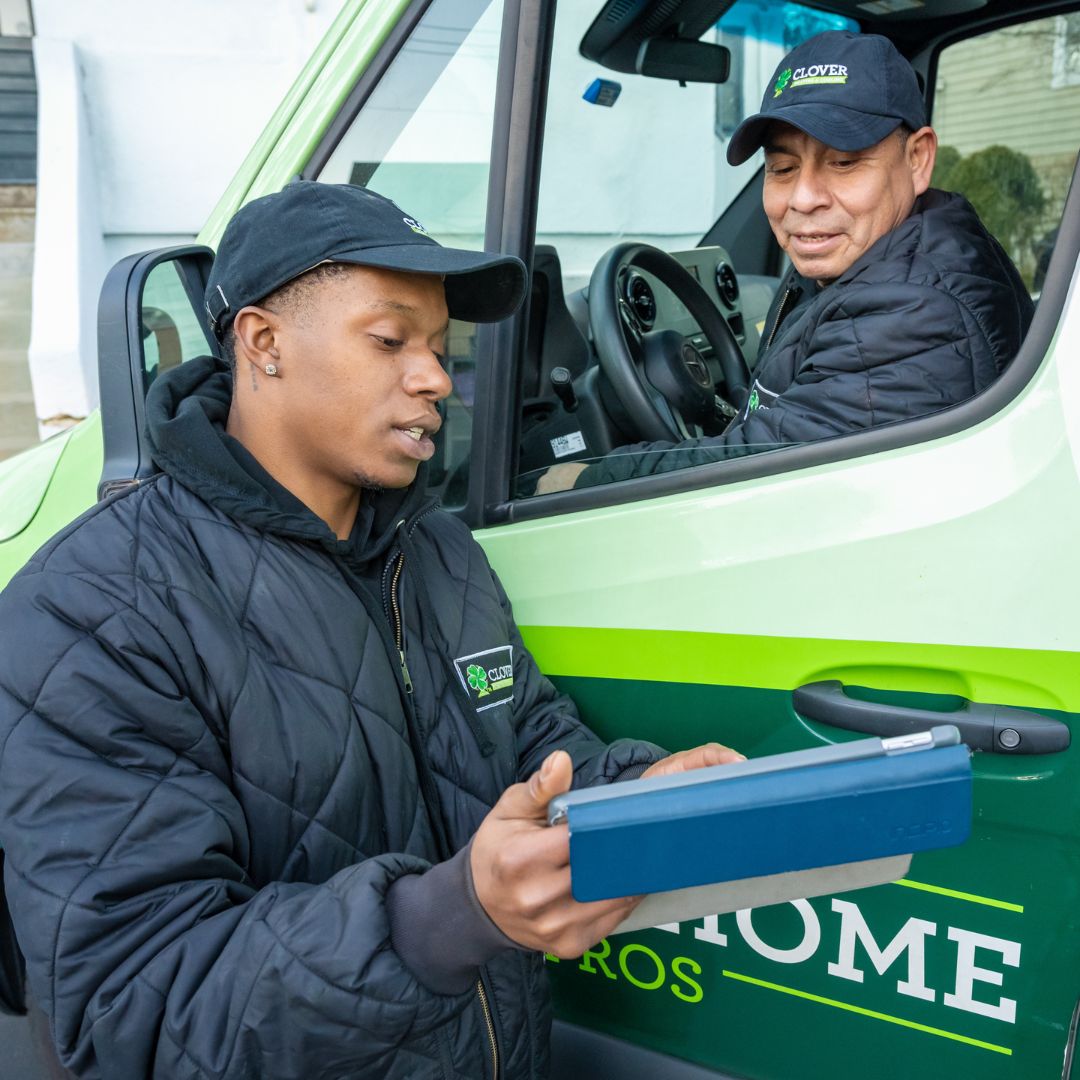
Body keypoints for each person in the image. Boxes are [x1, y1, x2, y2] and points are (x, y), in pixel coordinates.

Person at [0, 182, 739, 1079]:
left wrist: (627, 787)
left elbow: (529, 740)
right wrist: (445, 919)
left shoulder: (436, 550)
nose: (434, 377)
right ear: (263, 343)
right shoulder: (96, 610)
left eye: (438, 346)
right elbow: (132, 1009)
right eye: (390, 340)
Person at [537, 30, 1034, 494]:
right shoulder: (882, 252)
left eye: (844, 162)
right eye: (782, 168)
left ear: (918, 159)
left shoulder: (913, 314)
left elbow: (748, 475)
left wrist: (583, 478)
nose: (803, 198)